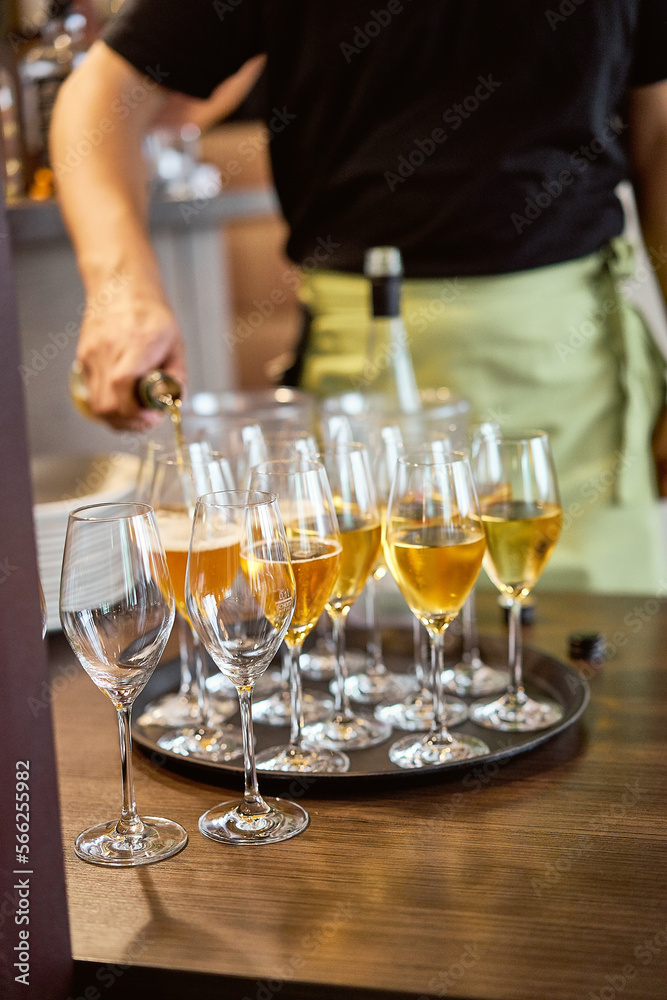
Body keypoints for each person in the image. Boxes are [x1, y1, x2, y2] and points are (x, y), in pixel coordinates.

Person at [49, 1, 667, 594]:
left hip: (576, 391)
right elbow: (102, 95)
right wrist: (120, 290)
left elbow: (660, 134)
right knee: (366, 668)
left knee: (605, 678)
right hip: (359, 399)